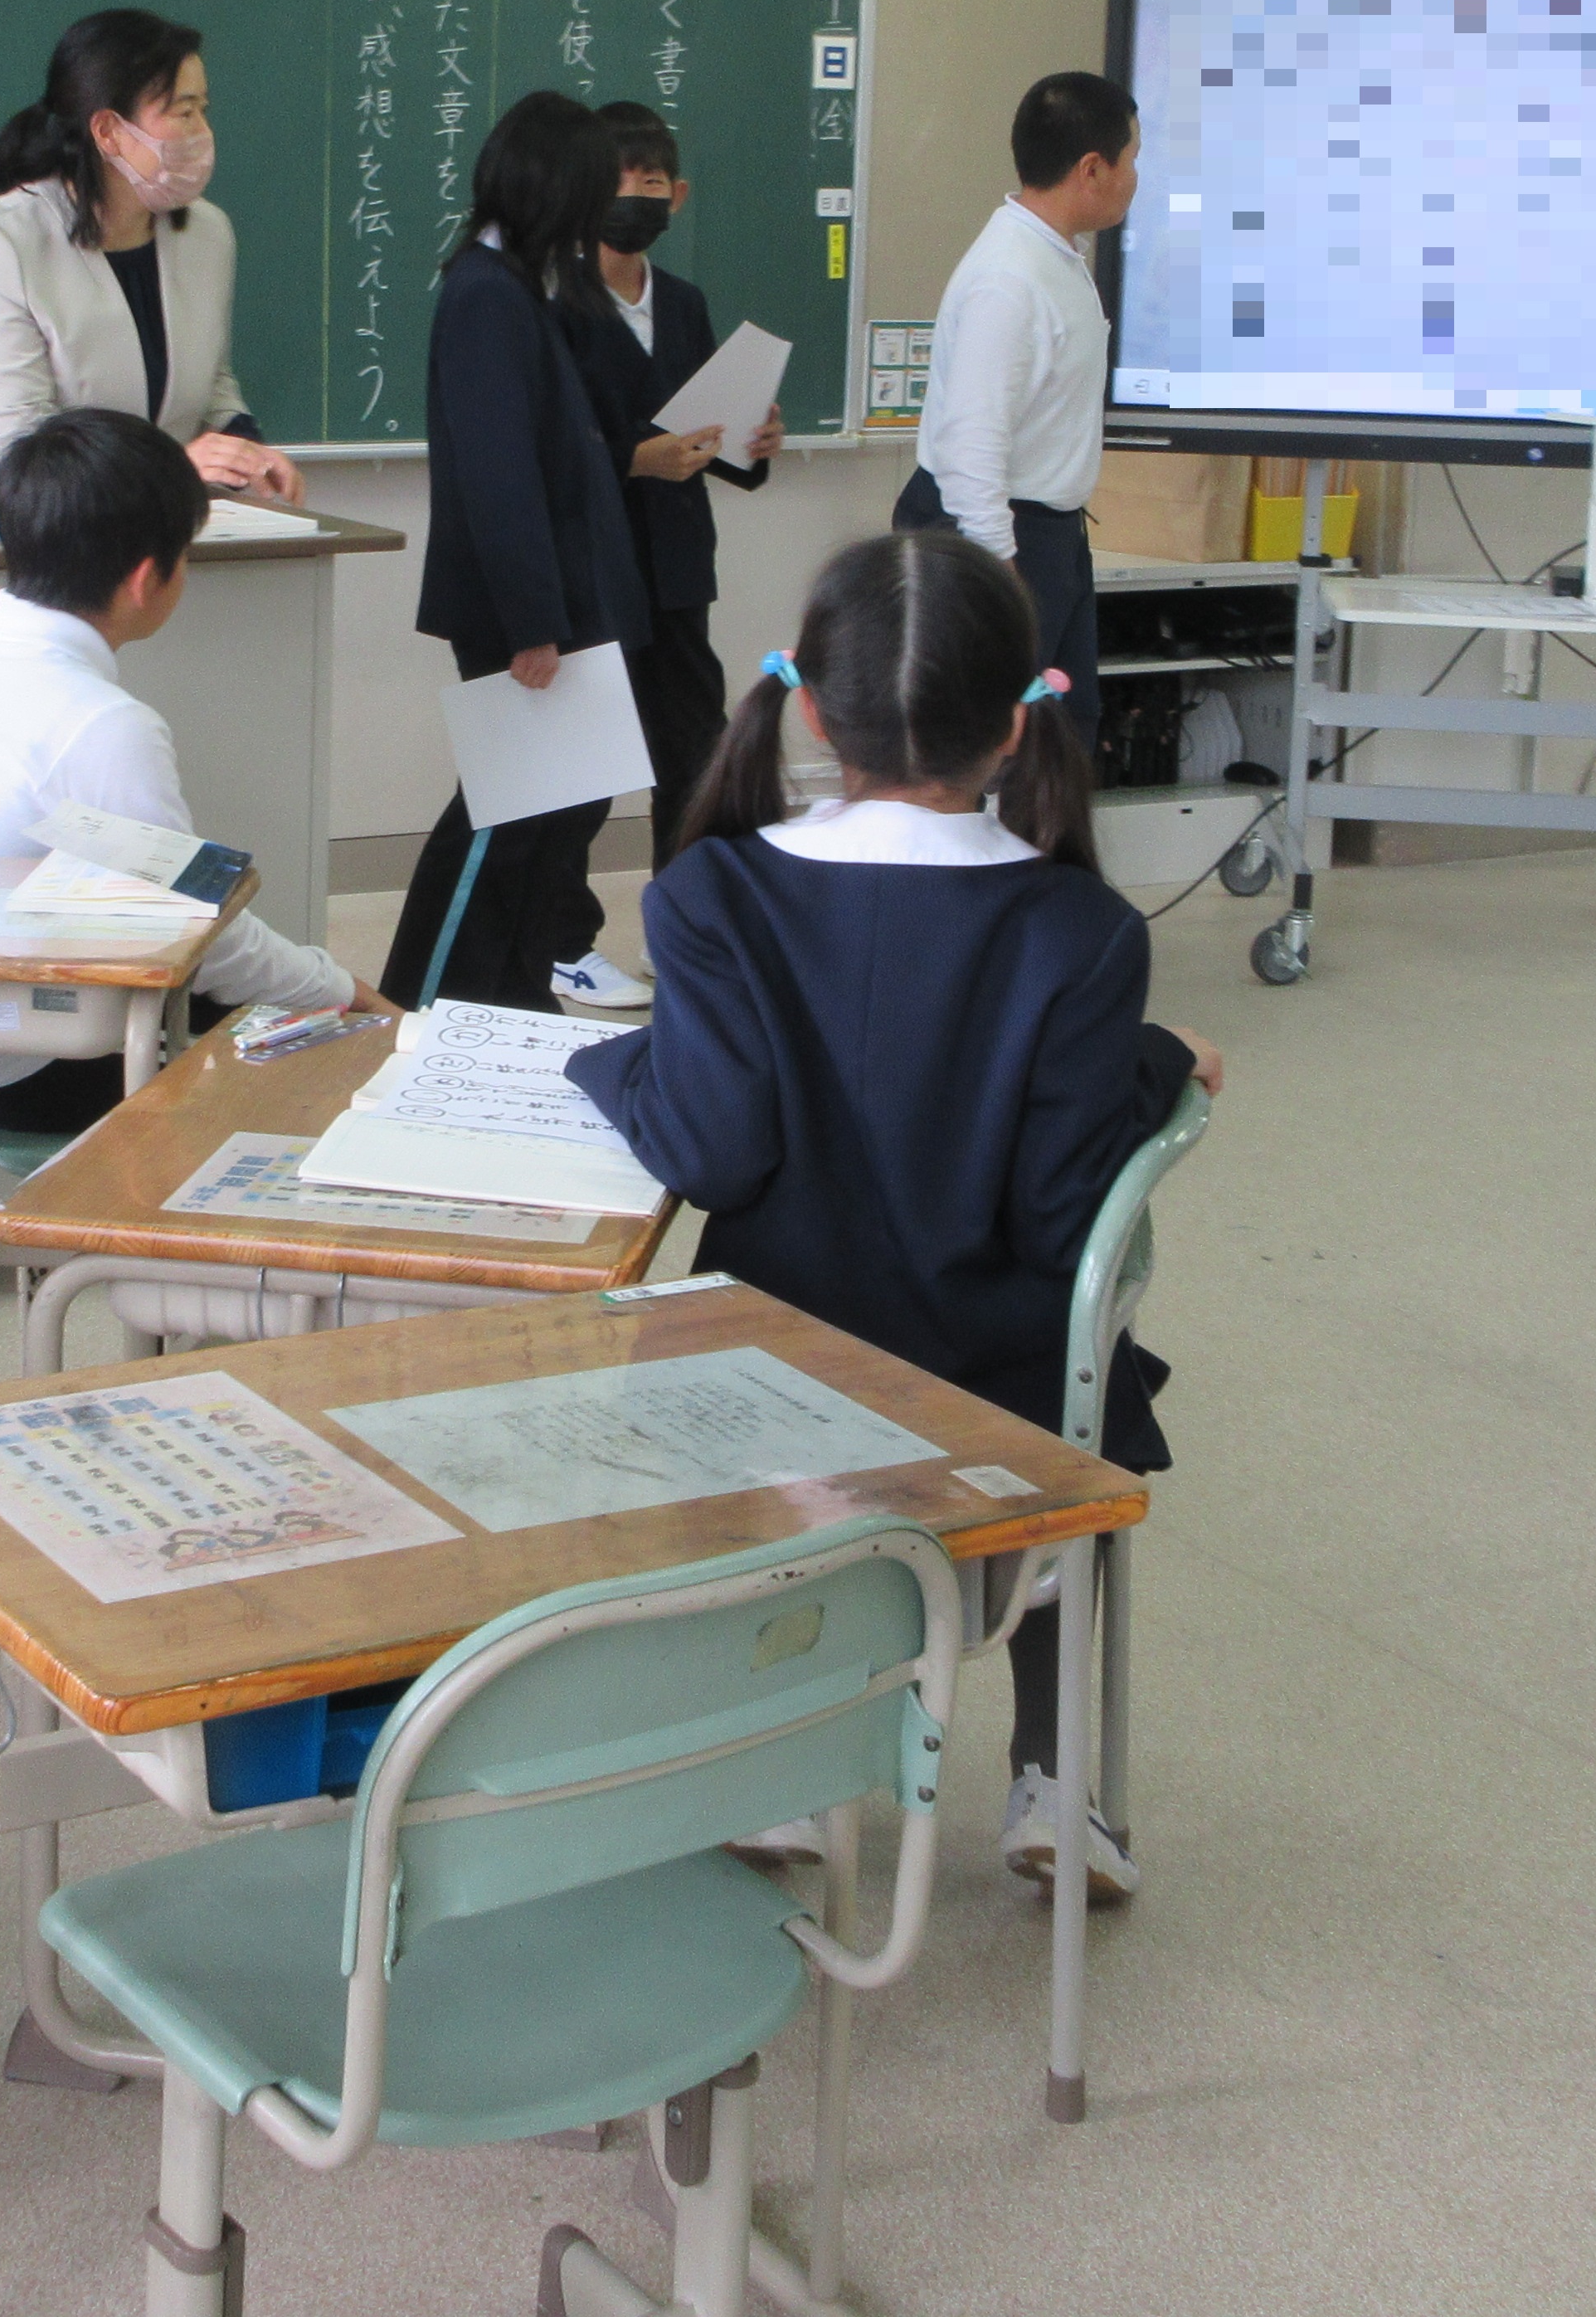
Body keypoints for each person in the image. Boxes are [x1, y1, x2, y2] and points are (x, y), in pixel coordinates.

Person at [567, 531, 1222, 1896]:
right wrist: (1151, 1060)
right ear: (1016, 721)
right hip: (997, 1410)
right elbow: (1060, 1211)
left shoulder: (712, 893)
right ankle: (1053, 1782)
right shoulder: (1081, 928)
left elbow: (710, 1146)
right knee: (1095, 1395)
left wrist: (604, 1063)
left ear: (809, 711)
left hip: (759, 1391)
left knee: (723, 1392)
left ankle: (792, 1760)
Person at [0, 406, 390, 1137]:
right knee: (329, 1043)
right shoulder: (100, 724)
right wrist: (349, 992)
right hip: (23, 1068)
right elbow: (203, 935)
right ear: (149, 578)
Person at [385, 92, 654, 1013]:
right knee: (507, 815)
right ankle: (428, 999)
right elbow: (498, 476)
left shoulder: (523, 285)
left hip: (558, 600)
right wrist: (533, 623)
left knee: (557, 813)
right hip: (523, 613)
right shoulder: (485, 295)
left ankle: (514, 989)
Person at [553, 99, 782, 1006]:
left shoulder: (683, 303)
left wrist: (752, 445)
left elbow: (709, 435)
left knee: (692, 759)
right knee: (577, 765)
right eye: (621, 180)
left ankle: (679, 931)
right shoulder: (552, 302)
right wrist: (631, 460)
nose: (638, 196)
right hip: (592, 568)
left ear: (677, 196)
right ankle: (561, 941)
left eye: (653, 181)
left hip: (679, 569)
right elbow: (550, 447)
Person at [0, 7, 303, 508]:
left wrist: (246, 450)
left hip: (147, 519)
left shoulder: (207, 233)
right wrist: (172, 466)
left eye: (203, 109)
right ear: (108, 131)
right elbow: (23, 445)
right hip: (10, 521)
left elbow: (211, 383)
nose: (202, 131)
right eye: (183, 112)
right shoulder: (3, 240)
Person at [897, 71, 1136, 753]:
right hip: (993, 535)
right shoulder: (1009, 278)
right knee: (980, 746)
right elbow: (970, 440)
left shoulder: (1053, 256)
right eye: (1132, 159)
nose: (1135, 178)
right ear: (1092, 169)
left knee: (1058, 742)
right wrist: (997, 571)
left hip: (1049, 535)